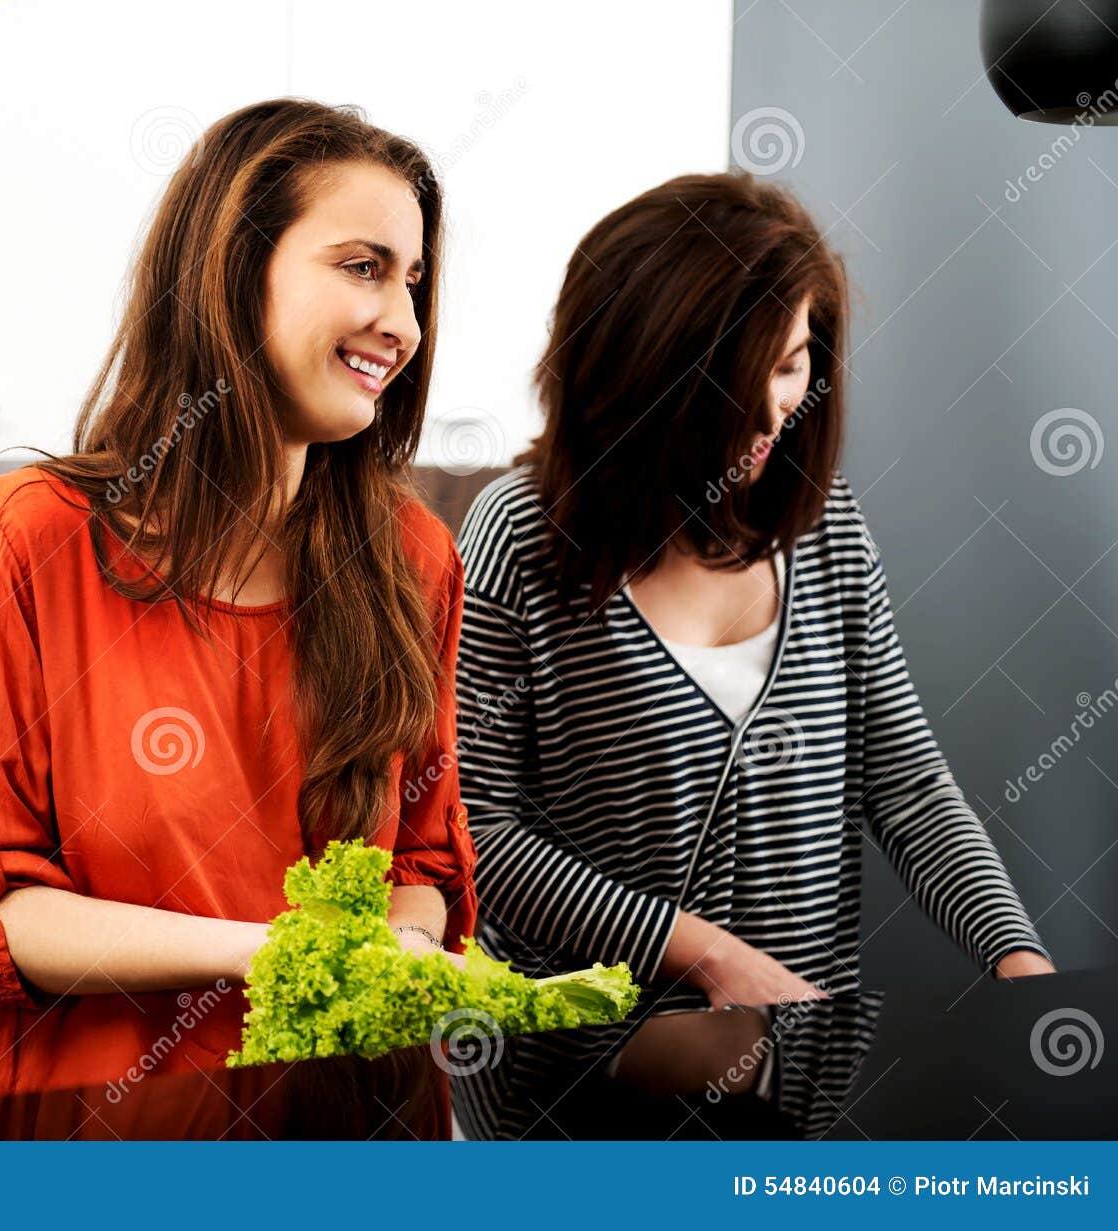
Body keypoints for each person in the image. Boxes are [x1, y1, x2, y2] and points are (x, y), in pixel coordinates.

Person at [450, 171, 1054, 1139]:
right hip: (569, 1089)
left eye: (793, 365)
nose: (774, 413)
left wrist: (1015, 961)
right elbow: (476, 823)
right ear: (635, 375)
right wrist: (689, 948)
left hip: (787, 1092)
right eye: (738, 381)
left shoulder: (829, 529)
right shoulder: (517, 536)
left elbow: (904, 782)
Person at [0, 99, 475, 1106]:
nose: (403, 322)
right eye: (362, 266)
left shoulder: (411, 559)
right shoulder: (27, 541)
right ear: (230, 272)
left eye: (414, 281)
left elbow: (422, 858)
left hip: (338, 1137)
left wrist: (403, 944)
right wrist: (278, 952)